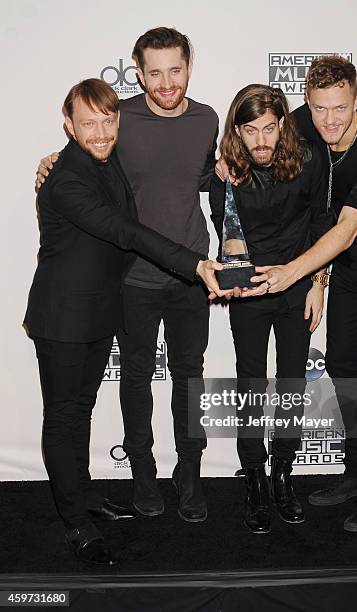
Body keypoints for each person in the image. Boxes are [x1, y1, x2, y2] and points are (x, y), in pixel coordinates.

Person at [25, 78, 224, 565]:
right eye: (87, 123)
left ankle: (86, 496)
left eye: (107, 120)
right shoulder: (67, 178)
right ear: (67, 125)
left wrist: (219, 169)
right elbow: (125, 230)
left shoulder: (104, 158)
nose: (99, 131)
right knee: (64, 419)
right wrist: (194, 263)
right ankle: (75, 522)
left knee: (84, 413)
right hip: (63, 318)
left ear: (118, 121)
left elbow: (166, 177)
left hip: (98, 312)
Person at [242, 56, 357, 532]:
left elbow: (344, 229)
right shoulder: (304, 122)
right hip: (346, 269)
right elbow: (247, 139)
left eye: (340, 109)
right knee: (344, 365)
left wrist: (295, 274)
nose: (329, 120)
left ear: (356, 99)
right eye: (320, 108)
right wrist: (222, 161)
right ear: (308, 100)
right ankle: (355, 472)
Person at [211, 84, 332, 534]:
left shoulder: (307, 159)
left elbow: (322, 221)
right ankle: (255, 476)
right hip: (249, 293)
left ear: (282, 124)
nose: (261, 140)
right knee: (250, 384)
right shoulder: (224, 174)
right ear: (237, 132)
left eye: (269, 128)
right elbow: (224, 236)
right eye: (250, 131)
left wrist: (319, 282)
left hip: (298, 285)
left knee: (293, 382)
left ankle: (283, 472)